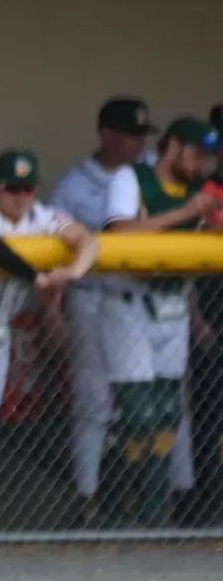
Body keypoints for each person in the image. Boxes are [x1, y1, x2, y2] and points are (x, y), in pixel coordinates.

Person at [0, 149, 98, 533]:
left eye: (27, 188)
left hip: (0, 334)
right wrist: (36, 277)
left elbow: (86, 239)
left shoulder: (42, 215)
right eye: (12, 188)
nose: (20, 196)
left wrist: (72, 272)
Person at [96, 118, 214, 528]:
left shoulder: (201, 190)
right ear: (174, 147)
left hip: (174, 304)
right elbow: (120, 232)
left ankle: (152, 515)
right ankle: (110, 510)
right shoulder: (132, 178)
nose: (201, 164)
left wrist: (209, 215)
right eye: (196, 153)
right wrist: (187, 212)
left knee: (167, 413)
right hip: (129, 301)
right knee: (138, 413)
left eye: (208, 157)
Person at [50, 97, 157, 518]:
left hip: (144, 302)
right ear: (107, 134)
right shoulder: (72, 186)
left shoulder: (148, 173)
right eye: (130, 134)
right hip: (93, 299)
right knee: (94, 400)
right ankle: (88, 497)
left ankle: (156, 496)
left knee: (157, 401)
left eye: (142, 136)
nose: (137, 144)